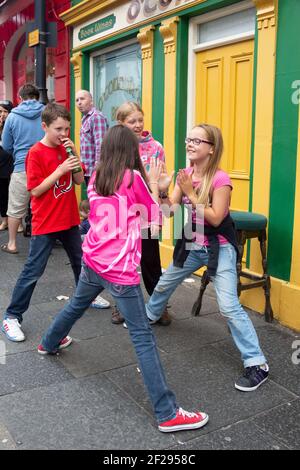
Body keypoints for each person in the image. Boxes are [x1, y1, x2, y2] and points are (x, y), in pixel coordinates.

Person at [37, 124, 209, 433]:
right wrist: (156, 184)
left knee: (77, 304)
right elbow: (155, 224)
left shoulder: (98, 174)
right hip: (119, 269)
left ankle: (49, 342)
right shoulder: (133, 178)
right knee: (142, 336)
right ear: (132, 150)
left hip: (94, 259)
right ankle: (167, 413)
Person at [146, 123, 269, 392]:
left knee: (227, 306)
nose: (189, 144)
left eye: (197, 141)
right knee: (166, 281)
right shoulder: (185, 173)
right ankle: (151, 315)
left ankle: (257, 363)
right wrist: (163, 190)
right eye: (189, 139)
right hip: (191, 242)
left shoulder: (220, 179)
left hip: (219, 246)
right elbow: (169, 213)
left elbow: (216, 217)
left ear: (211, 150)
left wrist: (189, 192)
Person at [1, 103, 84, 343]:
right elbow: (35, 190)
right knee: (33, 271)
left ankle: (83, 297)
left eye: (67, 129)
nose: (63, 134)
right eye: (59, 129)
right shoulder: (35, 153)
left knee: (81, 263)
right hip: (46, 222)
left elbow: (79, 180)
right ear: (44, 126)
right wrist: (59, 171)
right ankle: (12, 316)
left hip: (68, 219)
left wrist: (74, 155)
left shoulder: (67, 148)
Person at [111, 101, 170, 326]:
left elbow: (161, 181)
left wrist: (162, 187)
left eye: (140, 120)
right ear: (121, 123)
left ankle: (158, 305)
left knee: (151, 260)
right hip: (124, 213)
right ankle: (121, 305)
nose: (137, 125)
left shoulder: (156, 147)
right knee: (124, 260)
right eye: (131, 121)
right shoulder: (118, 147)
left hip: (147, 213)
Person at [75, 89, 110, 309]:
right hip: (87, 170)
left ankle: (93, 232)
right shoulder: (85, 119)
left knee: (96, 205)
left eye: (83, 99)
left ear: (92, 100)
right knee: (91, 206)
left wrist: (98, 173)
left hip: (94, 172)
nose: (79, 102)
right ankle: (90, 229)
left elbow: (101, 146)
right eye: (77, 99)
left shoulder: (96, 118)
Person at [1, 84, 45, 254]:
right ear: (37, 96)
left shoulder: (12, 117)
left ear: (20, 98)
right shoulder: (47, 112)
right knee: (41, 207)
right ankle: (41, 243)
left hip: (21, 166)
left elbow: (6, 145)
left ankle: (12, 243)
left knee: (15, 207)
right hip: (45, 167)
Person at [0, 100, 14, 231]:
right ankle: (4, 220)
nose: (3, 114)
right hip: (2, 166)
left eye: (5, 111)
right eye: (0, 112)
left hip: (12, 162)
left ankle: (18, 222)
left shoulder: (13, 124)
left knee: (14, 194)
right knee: (3, 194)